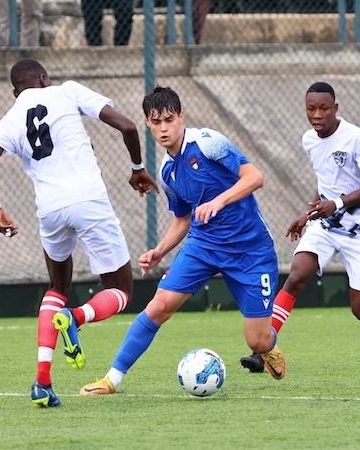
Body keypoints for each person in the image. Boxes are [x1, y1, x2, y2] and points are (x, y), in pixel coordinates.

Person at [78, 86, 287, 396]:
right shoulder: (166, 171)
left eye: (169, 120)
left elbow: (255, 177)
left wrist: (220, 201)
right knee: (158, 306)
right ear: (147, 124)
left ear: (181, 117)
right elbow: (183, 219)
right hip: (202, 246)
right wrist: (160, 250)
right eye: (155, 122)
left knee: (256, 340)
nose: (163, 128)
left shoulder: (208, 143)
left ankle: (269, 346)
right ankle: (112, 379)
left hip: (250, 251)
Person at [0, 59, 158, 407]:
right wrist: (137, 168)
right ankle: (74, 317)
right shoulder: (68, 91)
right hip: (89, 200)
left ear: (16, 91)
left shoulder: (12, 116)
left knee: (57, 287)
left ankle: (42, 382)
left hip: (49, 210)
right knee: (120, 289)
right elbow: (128, 125)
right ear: (44, 78)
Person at [239, 82, 360, 373]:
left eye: (323, 108)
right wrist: (307, 215)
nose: (317, 114)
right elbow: (327, 183)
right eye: (311, 109)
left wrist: (337, 204)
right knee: (296, 275)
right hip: (326, 227)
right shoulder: (310, 140)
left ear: (336, 109)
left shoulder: (357, 138)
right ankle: (264, 348)